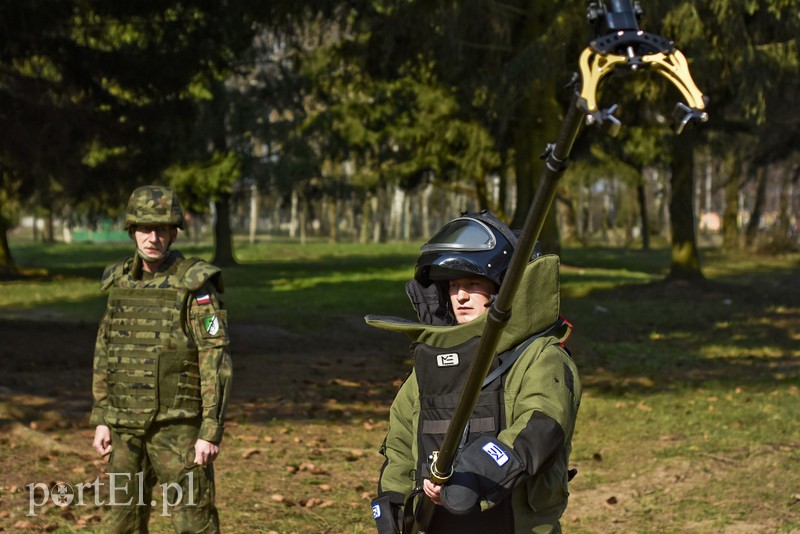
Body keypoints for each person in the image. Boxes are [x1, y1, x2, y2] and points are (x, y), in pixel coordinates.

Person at [368, 210, 581, 533]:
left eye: (473, 284)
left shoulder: (541, 356)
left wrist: (475, 473)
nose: (461, 296)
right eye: (454, 286)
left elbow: (542, 425)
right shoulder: (433, 362)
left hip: (514, 522)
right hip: (438, 522)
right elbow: (401, 440)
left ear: (503, 290)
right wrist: (393, 500)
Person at [89, 185, 232, 533]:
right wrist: (102, 417)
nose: (152, 238)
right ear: (132, 230)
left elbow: (215, 359)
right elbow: (106, 350)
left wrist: (210, 431)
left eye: (162, 230)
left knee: (193, 523)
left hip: (177, 428)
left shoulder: (196, 285)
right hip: (124, 427)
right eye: (145, 228)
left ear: (173, 233)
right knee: (121, 524)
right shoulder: (119, 281)